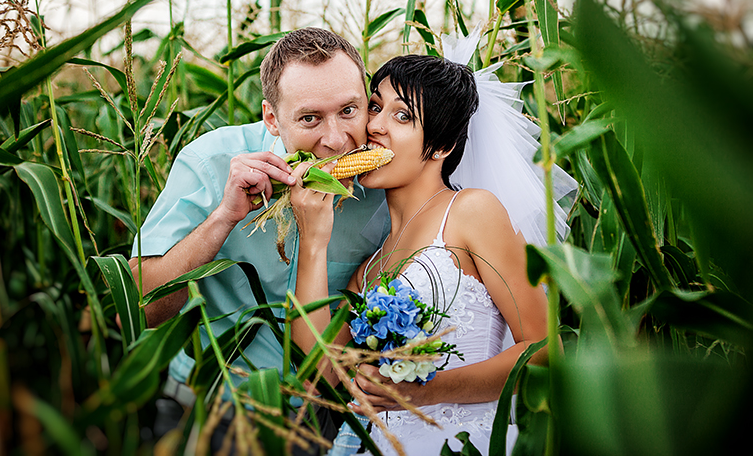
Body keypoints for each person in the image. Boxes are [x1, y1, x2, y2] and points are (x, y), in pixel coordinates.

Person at [289, 48, 575, 455]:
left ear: (441, 146)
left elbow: (544, 349)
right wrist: (313, 241)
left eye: (402, 116)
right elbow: (317, 372)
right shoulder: (369, 269)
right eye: (374, 106)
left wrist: (428, 390)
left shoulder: (472, 212)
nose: (375, 127)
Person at [129, 27, 389, 453]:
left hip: (333, 415)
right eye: (309, 118)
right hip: (220, 404)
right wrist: (223, 218)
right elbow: (140, 309)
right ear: (271, 118)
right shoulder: (211, 161)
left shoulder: (386, 181)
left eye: (349, 110)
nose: (336, 139)